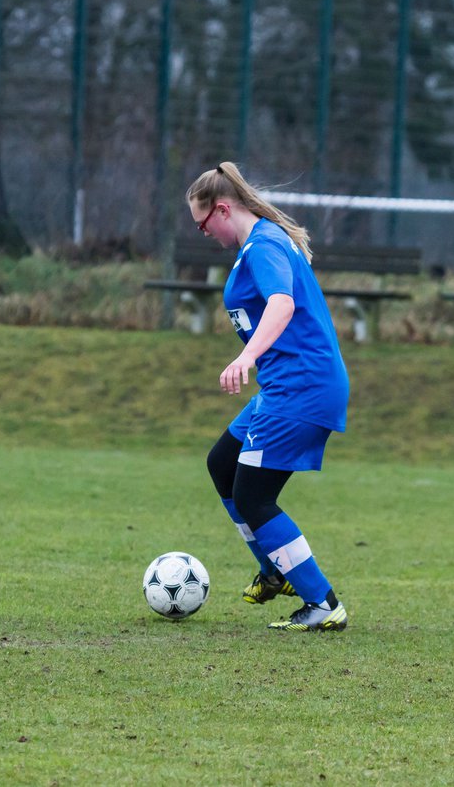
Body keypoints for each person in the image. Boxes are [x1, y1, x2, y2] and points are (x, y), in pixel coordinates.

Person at [186, 162, 349, 632]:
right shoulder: (257, 245)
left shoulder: (265, 245)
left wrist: (246, 358)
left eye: (203, 224)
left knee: (253, 496)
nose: (204, 233)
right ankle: (276, 568)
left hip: (302, 386)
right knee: (223, 463)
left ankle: (322, 602)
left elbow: (282, 303)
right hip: (286, 385)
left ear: (222, 209)